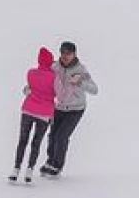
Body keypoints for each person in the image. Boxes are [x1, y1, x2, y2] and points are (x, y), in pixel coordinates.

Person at [41, 41, 98, 178]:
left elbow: (94, 89)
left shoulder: (81, 70)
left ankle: (57, 166)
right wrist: (30, 88)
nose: (65, 56)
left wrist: (80, 82)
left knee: (62, 136)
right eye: (63, 53)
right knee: (52, 135)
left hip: (76, 109)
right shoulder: (54, 67)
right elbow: (42, 78)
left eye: (69, 53)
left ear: (74, 54)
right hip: (59, 107)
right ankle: (50, 162)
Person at [11, 48, 57, 183]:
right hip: (44, 114)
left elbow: (28, 89)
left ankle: (16, 169)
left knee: (22, 141)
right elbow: (56, 93)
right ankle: (29, 171)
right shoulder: (54, 77)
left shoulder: (30, 73)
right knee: (36, 143)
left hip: (28, 110)